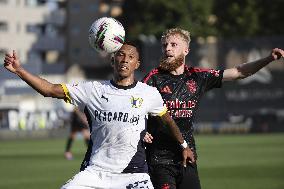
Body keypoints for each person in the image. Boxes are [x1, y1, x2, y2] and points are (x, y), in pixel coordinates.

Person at [3, 43, 195, 189]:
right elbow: (50, 90)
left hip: (134, 175)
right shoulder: (93, 90)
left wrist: (184, 146)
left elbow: (167, 120)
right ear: (113, 60)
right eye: (120, 55)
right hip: (96, 173)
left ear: (137, 64)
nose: (125, 59)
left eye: (130, 56)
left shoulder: (149, 93)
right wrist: (19, 70)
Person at [142, 28, 284, 189]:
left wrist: (268, 59)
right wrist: (141, 130)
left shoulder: (198, 76)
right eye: (164, 45)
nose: (167, 48)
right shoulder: (152, 79)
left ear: (186, 50)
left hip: (186, 156)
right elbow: (133, 106)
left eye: (173, 44)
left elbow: (239, 72)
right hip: (159, 159)